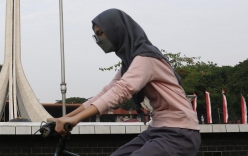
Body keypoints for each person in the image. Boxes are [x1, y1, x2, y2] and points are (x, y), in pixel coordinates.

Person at [49, 9, 200, 156]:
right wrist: (66, 117)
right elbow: (106, 92)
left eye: (101, 33)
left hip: (179, 132)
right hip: (158, 129)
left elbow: (121, 91)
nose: (100, 39)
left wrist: (76, 120)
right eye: (96, 35)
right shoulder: (130, 63)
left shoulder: (146, 58)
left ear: (116, 29)